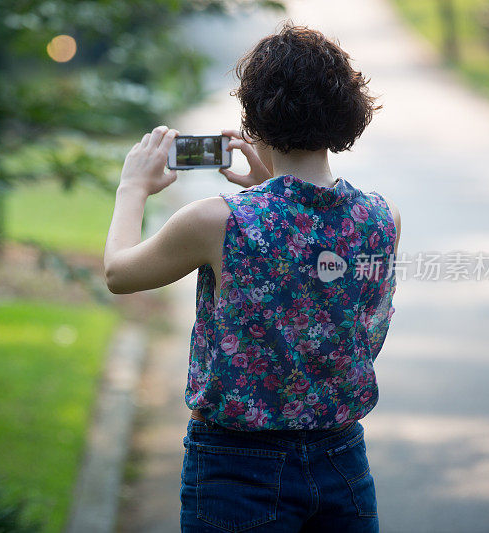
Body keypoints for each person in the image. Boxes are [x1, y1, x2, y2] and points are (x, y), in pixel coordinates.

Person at [104, 20, 400, 533]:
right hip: (343, 461)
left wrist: (132, 189)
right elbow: (312, 258)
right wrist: (269, 182)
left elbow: (119, 273)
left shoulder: (218, 221)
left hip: (237, 469)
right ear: (348, 113)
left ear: (256, 117)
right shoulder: (380, 217)